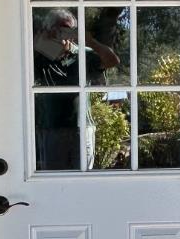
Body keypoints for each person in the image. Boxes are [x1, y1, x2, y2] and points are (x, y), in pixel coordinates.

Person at [32, 9, 122, 169]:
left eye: (68, 29)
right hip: (51, 126)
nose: (62, 34)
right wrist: (39, 40)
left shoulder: (83, 54)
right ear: (49, 29)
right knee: (53, 179)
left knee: (83, 178)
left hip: (82, 127)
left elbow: (113, 60)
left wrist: (90, 41)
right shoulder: (40, 55)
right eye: (58, 28)